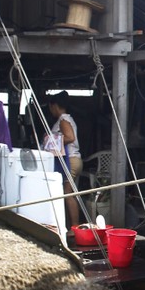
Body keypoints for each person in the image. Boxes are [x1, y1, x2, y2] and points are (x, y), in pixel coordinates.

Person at [47, 91, 83, 227]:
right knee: (70, 193)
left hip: (71, 160)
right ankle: (71, 225)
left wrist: (52, 141)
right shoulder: (68, 119)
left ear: (54, 106)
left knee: (67, 194)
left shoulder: (63, 120)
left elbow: (70, 137)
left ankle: (74, 227)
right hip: (75, 160)